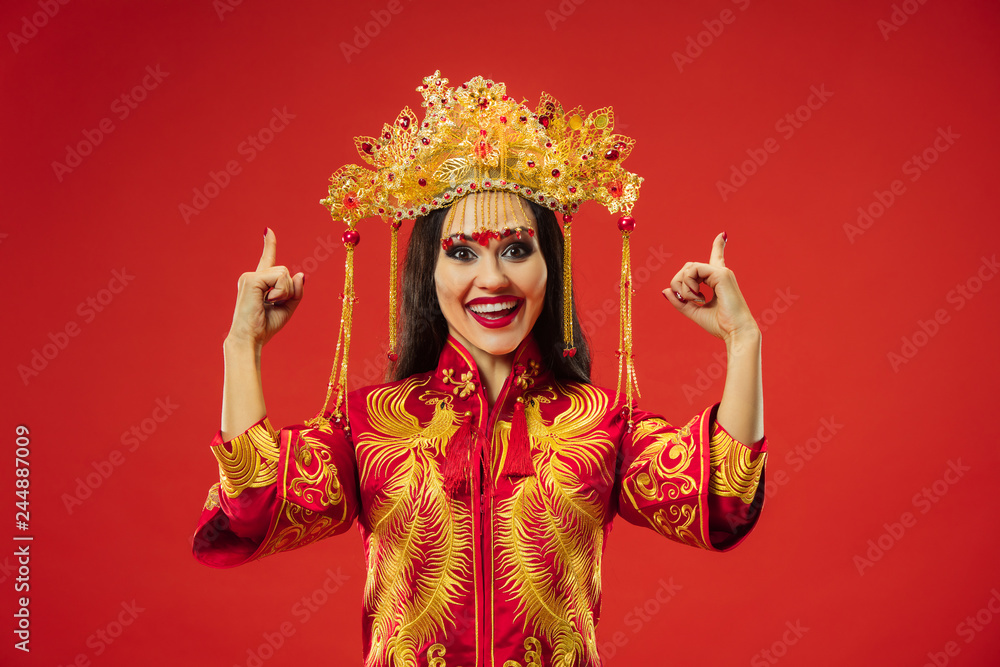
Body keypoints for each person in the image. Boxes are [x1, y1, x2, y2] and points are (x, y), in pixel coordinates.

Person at [192, 72, 767, 667]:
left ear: (552, 268)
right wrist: (243, 347)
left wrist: (743, 340)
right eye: (462, 254)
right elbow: (252, 508)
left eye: (517, 251)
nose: (492, 280)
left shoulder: (602, 424)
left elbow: (722, 501)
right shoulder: (369, 425)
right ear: (428, 275)